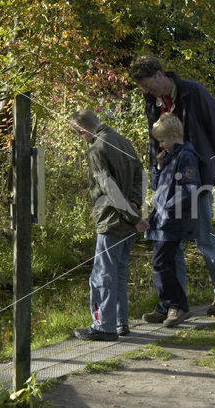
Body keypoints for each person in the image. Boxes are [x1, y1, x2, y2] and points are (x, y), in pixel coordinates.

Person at [129, 56, 215, 316]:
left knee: (203, 235)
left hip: (195, 177)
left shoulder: (194, 91)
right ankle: (175, 304)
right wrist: (157, 169)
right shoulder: (151, 101)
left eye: (147, 85)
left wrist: (208, 161)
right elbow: (154, 136)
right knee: (169, 238)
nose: (146, 91)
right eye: (143, 88)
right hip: (167, 176)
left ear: (160, 74)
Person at [69, 110, 150, 341]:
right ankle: (120, 323)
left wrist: (131, 215)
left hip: (112, 219)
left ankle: (103, 326)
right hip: (128, 219)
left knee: (102, 275)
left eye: (79, 136)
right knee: (120, 273)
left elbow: (108, 187)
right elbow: (141, 175)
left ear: (83, 130)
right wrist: (136, 207)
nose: (81, 140)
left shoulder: (96, 149)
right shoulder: (123, 141)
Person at [142, 113, 201, 327]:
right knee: (163, 263)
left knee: (161, 263)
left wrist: (166, 207)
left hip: (173, 220)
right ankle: (166, 305)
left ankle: (178, 305)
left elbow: (190, 189)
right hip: (162, 220)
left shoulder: (186, 156)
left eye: (162, 140)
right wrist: (159, 167)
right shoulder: (170, 156)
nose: (160, 145)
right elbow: (158, 187)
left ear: (174, 135)